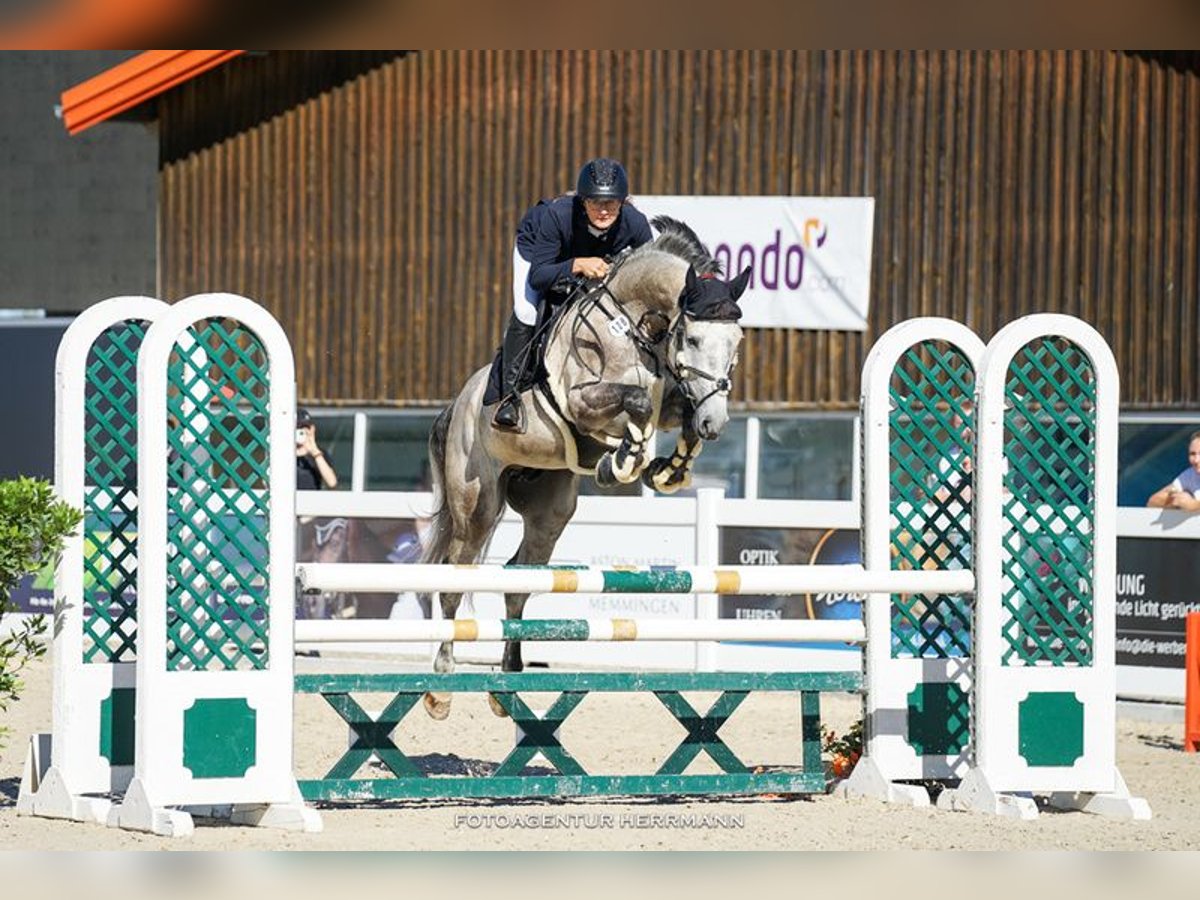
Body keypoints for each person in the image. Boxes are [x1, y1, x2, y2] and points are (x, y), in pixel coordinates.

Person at [491, 157, 654, 432]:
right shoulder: (557, 216)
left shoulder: (634, 223)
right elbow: (539, 276)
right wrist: (578, 264)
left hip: (586, 260)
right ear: (583, 202)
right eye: (595, 203)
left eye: (611, 203)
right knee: (528, 311)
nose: (603, 211)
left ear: (622, 202)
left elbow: (648, 271)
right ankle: (510, 397)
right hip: (539, 253)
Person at [1146, 430, 1200, 511]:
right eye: (1192, 454)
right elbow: (1152, 502)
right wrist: (1176, 499)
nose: (1196, 460)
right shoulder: (1190, 474)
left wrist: (1194, 505)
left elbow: (1192, 505)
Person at [295, 407, 338, 490]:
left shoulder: (319, 454)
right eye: (298, 428)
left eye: (306, 427)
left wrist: (314, 451)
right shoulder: (283, 452)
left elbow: (332, 483)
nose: (303, 432)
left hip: (312, 501)